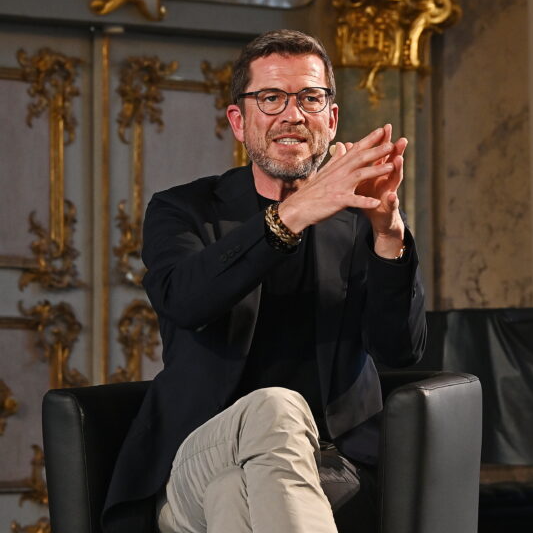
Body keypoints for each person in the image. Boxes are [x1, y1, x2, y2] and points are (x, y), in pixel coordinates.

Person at [102, 29, 426, 533]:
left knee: (236, 495)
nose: (292, 115)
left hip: (328, 465)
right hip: (197, 453)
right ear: (240, 120)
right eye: (271, 98)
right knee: (275, 408)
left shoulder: (358, 218)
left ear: (331, 118)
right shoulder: (183, 210)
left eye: (310, 98)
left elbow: (399, 351)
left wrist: (388, 235)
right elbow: (185, 301)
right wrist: (292, 215)